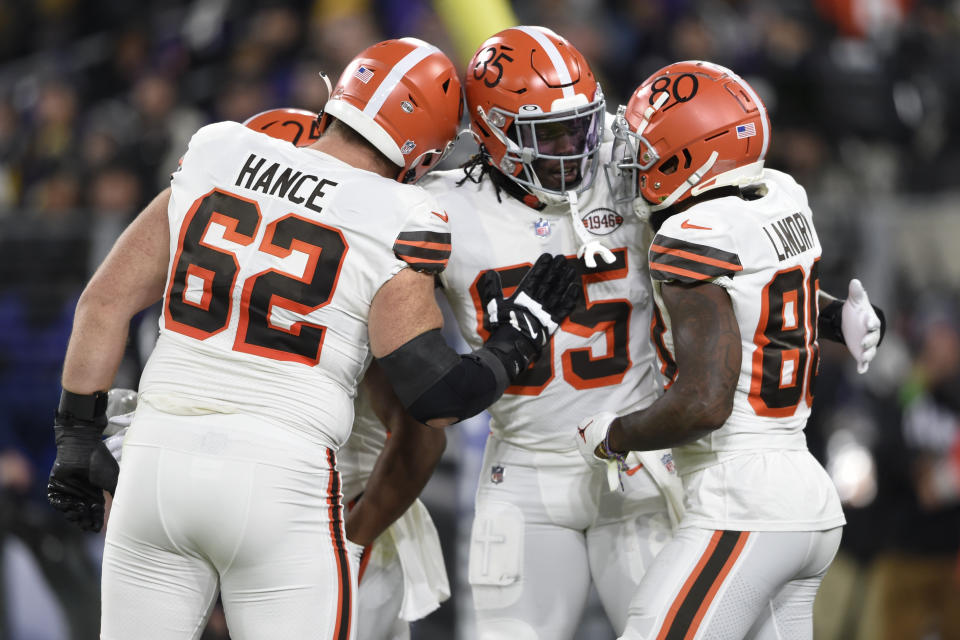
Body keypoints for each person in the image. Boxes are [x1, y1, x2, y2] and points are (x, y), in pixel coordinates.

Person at [45, 38, 578, 639]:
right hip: (280, 476)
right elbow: (436, 395)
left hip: (155, 459)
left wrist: (76, 435)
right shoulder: (402, 211)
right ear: (424, 153)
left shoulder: (219, 148)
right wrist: (516, 340)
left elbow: (103, 303)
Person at [575, 60, 885, 639]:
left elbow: (704, 403)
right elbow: (765, 297)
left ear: (685, 157)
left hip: (743, 496)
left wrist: (614, 436)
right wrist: (838, 316)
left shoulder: (694, 235)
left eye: (647, 148)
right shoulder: (779, 194)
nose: (634, 160)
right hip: (802, 489)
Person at [415, 26, 687, 639]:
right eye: (550, 133)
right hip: (527, 473)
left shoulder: (632, 172)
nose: (573, 146)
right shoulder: (440, 207)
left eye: (581, 125)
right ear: (492, 131)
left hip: (638, 461)